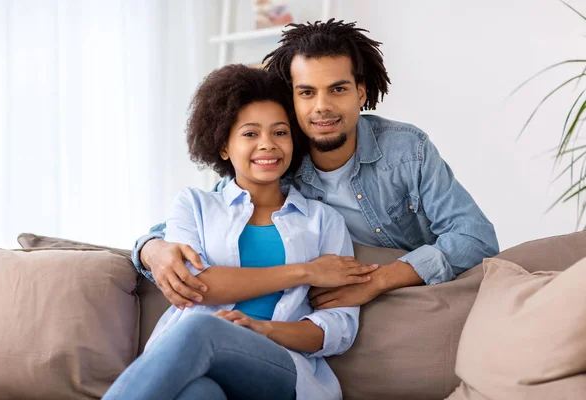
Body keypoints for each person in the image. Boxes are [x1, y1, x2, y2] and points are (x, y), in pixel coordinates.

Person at [132, 19, 499, 313]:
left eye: (337, 89)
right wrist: (153, 249)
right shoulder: (279, 159)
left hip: (415, 296)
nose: (321, 106)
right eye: (307, 92)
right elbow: (206, 211)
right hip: (326, 311)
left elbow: (475, 236)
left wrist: (380, 280)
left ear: (361, 93)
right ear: (292, 100)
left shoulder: (406, 149)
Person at [104, 65, 375, 400]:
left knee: (202, 327)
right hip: (198, 361)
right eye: (250, 134)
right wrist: (306, 271)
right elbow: (198, 286)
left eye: (280, 132)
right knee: (200, 394)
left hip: (278, 367)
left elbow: (338, 328)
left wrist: (264, 329)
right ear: (223, 146)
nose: (268, 145)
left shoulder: (324, 221)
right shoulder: (194, 206)